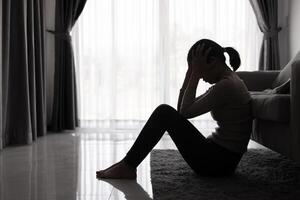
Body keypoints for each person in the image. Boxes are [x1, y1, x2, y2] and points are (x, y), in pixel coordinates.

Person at [96, 39, 252, 179]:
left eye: (198, 67)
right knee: (165, 113)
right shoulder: (226, 82)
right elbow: (181, 112)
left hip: (218, 164)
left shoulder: (227, 85)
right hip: (220, 159)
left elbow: (184, 113)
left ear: (212, 61)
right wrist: (190, 74)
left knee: (163, 111)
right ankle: (127, 164)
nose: (201, 77)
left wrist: (195, 75)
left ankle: (128, 166)